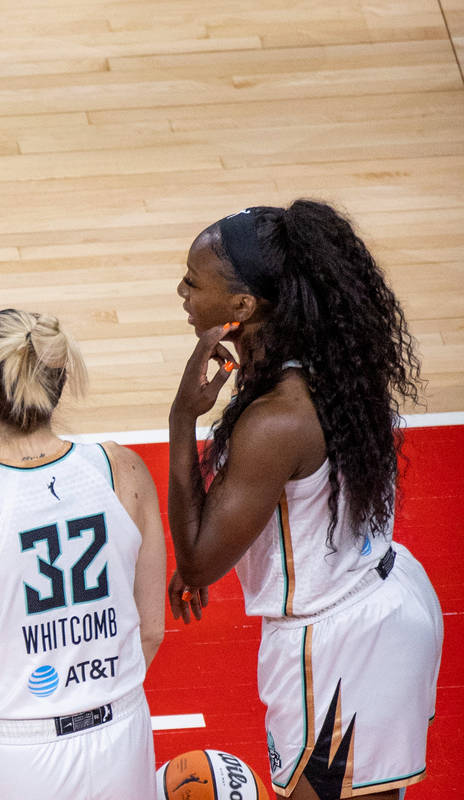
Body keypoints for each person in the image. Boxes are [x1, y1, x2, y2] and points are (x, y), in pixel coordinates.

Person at [168, 200, 444, 800]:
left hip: (335, 644)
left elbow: (195, 561)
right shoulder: (333, 358)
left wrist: (183, 418)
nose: (182, 291)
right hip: (386, 593)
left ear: (243, 307)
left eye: (194, 281)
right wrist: (224, 534)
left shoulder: (276, 419)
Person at [0, 309, 167, 800]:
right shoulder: (124, 469)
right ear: (57, 385)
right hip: (120, 738)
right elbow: (149, 629)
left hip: (8, 760)